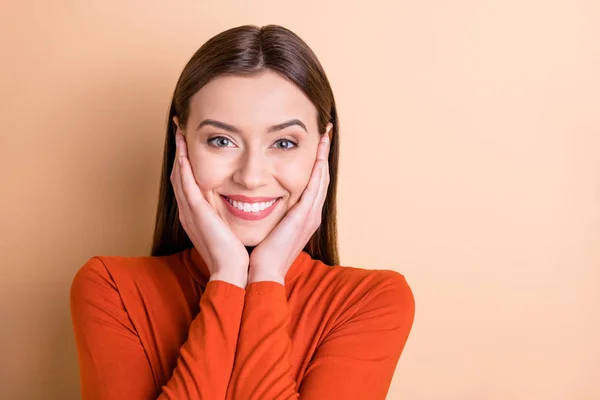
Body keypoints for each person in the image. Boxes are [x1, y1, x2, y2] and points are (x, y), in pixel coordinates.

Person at [70, 24, 415, 400]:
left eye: (284, 142)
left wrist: (265, 276)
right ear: (181, 143)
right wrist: (229, 277)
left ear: (322, 147)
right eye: (221, 140)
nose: (250, 177)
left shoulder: (372, 301)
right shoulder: (111, 289)